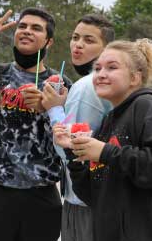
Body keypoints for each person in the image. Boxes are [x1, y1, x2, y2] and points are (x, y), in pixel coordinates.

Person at [58, 39, 152, 241]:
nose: (101, 74)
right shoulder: (109, 121)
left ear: (135, 78)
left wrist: (105, 152)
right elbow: (93, 195)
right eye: (97, 68)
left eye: (112, 67)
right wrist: (74, 152)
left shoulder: (149, 106)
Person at [0, 7, 71, 241]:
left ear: (48, 42)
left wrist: (49, 108)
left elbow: (72, 139)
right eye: (23, 26)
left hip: (41, 195)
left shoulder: (61, 85)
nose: (27, 31)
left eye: (36, 28)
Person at [41, 14, 114, 241]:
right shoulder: (107, 82)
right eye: (75, 37)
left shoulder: (85, 87)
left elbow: (68, 149)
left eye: (89, 40)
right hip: (105, 198)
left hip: (83, 202)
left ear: (107, 49)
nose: (78, 45)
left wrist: (54, 109)